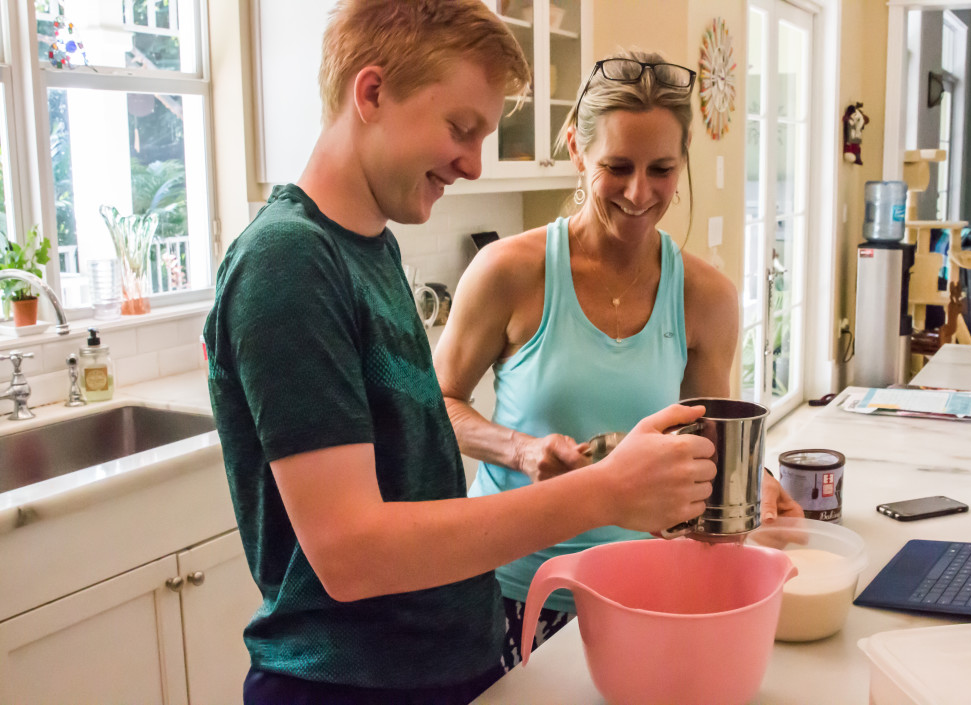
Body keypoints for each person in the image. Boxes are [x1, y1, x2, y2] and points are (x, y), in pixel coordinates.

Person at [204, 5, 720, 704]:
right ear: (372, 93)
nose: (474, 163)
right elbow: (351, 554)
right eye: (461, 128)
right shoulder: (288, 261)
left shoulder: (369, 246)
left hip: (440, 664)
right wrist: (601, 491)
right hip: (345, 684)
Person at [432, 48, 804, 667]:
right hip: (509, 590)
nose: (639, 193)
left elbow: (710, 443)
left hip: (644, 589)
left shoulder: (707, 298)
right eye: (618, 166)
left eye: (661, 168)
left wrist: (757, 483)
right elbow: (436, 404)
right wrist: (519, 449)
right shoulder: (508, 273)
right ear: (577, 149)